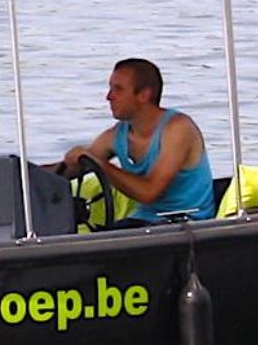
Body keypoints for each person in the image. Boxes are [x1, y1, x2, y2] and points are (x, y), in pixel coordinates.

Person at [59, 57, 215, 226]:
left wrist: (101, 165)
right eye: (110, 88)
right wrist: (31, 174)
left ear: (143, 95)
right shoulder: (116, 135)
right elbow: (70, 168)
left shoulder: (178, 129)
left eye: (118, 89)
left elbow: (149, 192)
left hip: (188, 224)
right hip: (143, 220)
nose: (109, 97)